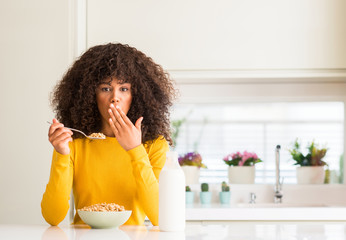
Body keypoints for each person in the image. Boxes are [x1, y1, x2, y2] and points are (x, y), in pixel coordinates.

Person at [41, 43, 176, 226]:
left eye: (124, 89)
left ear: (137, 94)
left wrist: (135, 150)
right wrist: (61, 154)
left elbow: (160, 217)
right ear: (90, 95)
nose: (115, 97)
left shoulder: (154, 145)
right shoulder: (73, 142)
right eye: (105, 88)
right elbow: (53, 216)